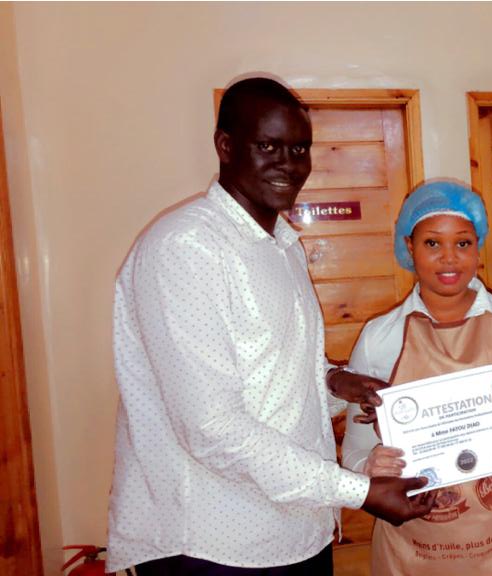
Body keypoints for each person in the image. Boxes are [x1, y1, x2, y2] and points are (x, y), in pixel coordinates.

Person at [107, 77, 434, 576]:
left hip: (299, 530)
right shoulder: (186, 249)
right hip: (212, 546)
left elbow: (271, 377)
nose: (289, 163)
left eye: (299, 149)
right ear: (225, 146)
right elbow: (211, 428)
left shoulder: (283, 246)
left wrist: (335, 384)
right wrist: (360, 491)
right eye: (268, 146)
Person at [340, 180, 492, 576]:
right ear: (409, 247)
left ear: (478, 247)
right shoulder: (379, 340)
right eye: (432, 243)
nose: (449, 258)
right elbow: (354, 452)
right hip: (415, 559)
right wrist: (369, 466)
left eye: (463, 243)